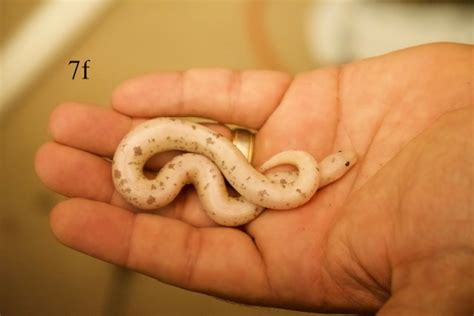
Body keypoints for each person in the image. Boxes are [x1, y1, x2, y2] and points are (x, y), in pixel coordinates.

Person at [35, 43, 473, 315]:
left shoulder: (293, 176)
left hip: (195, 170)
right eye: (341, 163)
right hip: (158, 165)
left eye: (340, 164)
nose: (344, 162)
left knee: (205, 168)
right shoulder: (287, 176)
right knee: (203, 167)